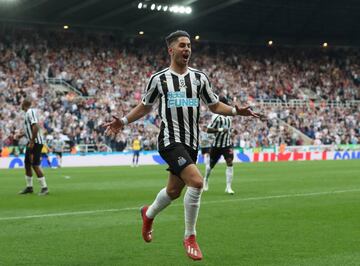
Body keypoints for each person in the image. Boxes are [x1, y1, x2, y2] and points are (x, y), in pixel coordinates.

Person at [103, 30, 263, 260]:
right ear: (171, 50)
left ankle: (148, 214)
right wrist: (124, 121)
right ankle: (190, 237)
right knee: (197, 182)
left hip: (191, 143)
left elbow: (215, 105)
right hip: (169, 140)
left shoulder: (199, 78)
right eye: (182, 45)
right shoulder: (159, 79)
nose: (187, 49)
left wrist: (237, 111)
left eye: (188, 45)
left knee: (173, 191)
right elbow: (145, 106)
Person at [204, 97, 237, 194]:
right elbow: (209, 130)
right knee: (210, 166)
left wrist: (232, 131)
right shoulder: (216, 117)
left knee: (230, 162)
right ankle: (205, 180)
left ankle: (228, 187)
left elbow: (228, 129)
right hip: (216, 145)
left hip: (227, 144)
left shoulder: (229, 117)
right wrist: (221, 130)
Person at [18, 98, 49, 196]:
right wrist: (22, 135)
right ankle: (29, 187)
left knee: (35, 164)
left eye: (21, 103)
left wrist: (32, 141)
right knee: (27, 163)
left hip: (35, 142)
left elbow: (35, 126)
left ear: (24, 104)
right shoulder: (27, 113)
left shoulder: (30, 111)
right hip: (31, 141)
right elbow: (31, 128)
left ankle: (44, 188)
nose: (20, 105)